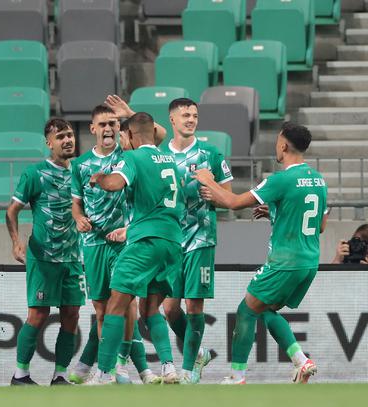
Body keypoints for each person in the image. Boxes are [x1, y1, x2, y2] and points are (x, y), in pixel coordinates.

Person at [193, 122, 328, 384]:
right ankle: (301, 361)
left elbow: (232, 203)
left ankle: (237, 375)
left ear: (283, 145)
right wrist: (278, 211)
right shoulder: (317, 179)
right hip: (309, 262)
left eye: (278, 141)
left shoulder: (280, 180)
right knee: (264, 309)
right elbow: (320, 226)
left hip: (285, 261)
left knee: (246, 310)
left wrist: (209, 181)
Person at [87, 112, 184, 385]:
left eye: (123, 135)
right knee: (151, 309)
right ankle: (168, 367)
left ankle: (105, 373)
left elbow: (116, 183)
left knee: (115, 305)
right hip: (173, 242)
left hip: (145, 243)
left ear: (129, 136)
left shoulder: (132, 158)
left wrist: (100, 178)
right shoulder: (170, 160)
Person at [68, 104, 161, 385]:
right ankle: (107, 368)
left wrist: (129, 113)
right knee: (101, 309)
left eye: (113, 123)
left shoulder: (130, 155)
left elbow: (156, 133)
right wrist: (78, 218)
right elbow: (76, 203)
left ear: (121, 128)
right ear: (92, 129)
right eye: (103, 124)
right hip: (94, 243)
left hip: (125, 240)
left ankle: (119, 365)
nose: (108, 128)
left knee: (128, 304)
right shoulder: (80, 164)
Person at [160, 98, 233, 384]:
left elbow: (228, 196)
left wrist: (212, 187)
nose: (191, 119)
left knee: (194, 306)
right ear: (172, 120)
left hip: (201, 237)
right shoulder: (160, 156)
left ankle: (189, 370)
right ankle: (200, 353)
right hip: (170, 241)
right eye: (185, 115)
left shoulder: (211, 153)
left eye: (194, 115)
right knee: (169, 308)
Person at [7, 118, 85, 386]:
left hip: (73, 257)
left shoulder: (81, 171)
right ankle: (20, 375)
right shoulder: (35, 173)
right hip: (43, 257)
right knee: (38, 315)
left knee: (72, 314)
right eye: (61, 136)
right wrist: (16, 241)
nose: (67, 140)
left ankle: (60, 374)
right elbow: (12, 210)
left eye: (70, 135)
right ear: (49, 143)